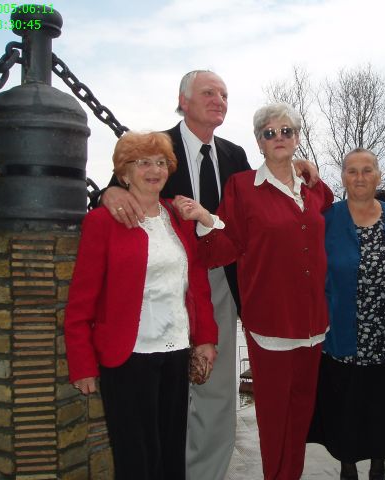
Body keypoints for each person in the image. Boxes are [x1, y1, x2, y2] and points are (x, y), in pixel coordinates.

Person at [100, 71, 317, 480]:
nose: (219, 99)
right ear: (183, 101)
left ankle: (207, 473)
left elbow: (263, 191)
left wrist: (298, 165)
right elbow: (119, 186)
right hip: (159, 283)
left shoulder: (234, 155)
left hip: (217, 281)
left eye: (224, 94)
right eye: (208, 93)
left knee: (216, 390)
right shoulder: (156, 147)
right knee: (164, 389)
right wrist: (107, 192)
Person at [178, 102, 333, 480]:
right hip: (270, 323)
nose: (278, 137)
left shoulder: (312, 188)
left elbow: (328, 207)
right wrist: (206, 220)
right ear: (259, 142)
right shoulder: (243, 187)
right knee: (275, 421)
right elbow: (226, 245)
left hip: (313, 325)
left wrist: (309, 170)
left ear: (297, 138)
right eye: (269, 133)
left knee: (301, 417)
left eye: (286, 131)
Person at [64, 132, 219, 480]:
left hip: (175, 353)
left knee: (171, 455)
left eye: (161, 163)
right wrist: (82, 364)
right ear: (124, 173)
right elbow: (81, 300)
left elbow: (197, 283)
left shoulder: (177, 217)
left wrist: (206, 338)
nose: (155, 170)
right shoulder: (101, 222)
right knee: (136, 460)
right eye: (143, 162)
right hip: (127, 358)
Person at [307, 148, 385, 480]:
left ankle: (379, 468)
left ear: (378, 175)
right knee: (345, 412)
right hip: (342, 335)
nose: (360, 177)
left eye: (367, 170)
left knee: (382, 410)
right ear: (343, 178)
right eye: (352, 171)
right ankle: (347, 469)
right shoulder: (327, 219)